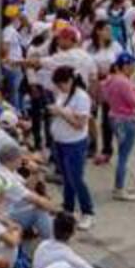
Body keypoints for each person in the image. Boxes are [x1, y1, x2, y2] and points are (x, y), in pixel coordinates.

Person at [49, 66, 95, 229]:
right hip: (60, 141)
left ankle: (87, 212)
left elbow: (80, 124)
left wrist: (61, 112)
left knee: (76, 178)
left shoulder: (81, 98)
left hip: (74, 143)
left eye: (61, 84)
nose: (59, 88)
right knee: (67, 178)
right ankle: (68, 207)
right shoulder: (63, 93)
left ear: (69, 81)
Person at [99, 52, 135, 200]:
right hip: (126, 120)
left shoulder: (110, 79)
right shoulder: (123, 82)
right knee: (123, 157)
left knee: (122, 154)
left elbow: (105, 97)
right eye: (132, 64)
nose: (134, 67)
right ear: (125, 66)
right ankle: (119, 189)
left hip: (114, 117)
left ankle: (120, 185)